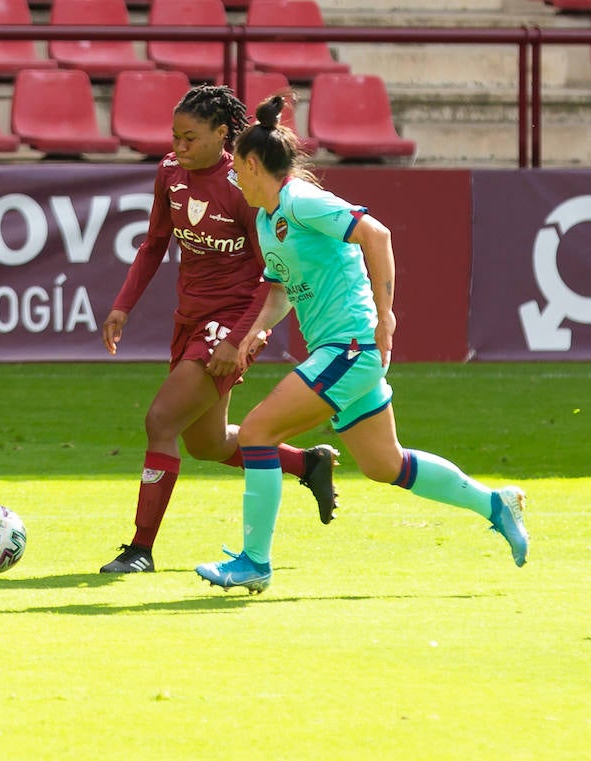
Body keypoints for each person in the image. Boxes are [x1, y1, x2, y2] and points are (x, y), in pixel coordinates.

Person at [193, 94, 529, 593]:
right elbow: (282, 291)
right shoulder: (267, 222)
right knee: (384, 464)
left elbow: (377, 234)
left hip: (349, 350)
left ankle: (254, 562)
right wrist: (251, 334)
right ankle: (494, 504)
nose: (232, 177)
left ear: (252, 163)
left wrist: (386, 316)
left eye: (236, 167)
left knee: (256, 432)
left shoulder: (300, 200)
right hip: (341, 354)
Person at [98, 84, 341, 574]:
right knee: (206, 444)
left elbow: (272, 277)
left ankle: (140, 549)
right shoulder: (169, 172)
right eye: (174, 137)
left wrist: (238, 340)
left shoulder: (243, 187)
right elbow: (154, 244)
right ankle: (306, 464)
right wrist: (123, 304)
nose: (179, 147)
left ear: (222, 134)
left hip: (232, 323)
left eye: (189, 138)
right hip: (189, 319)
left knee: (160, 422)